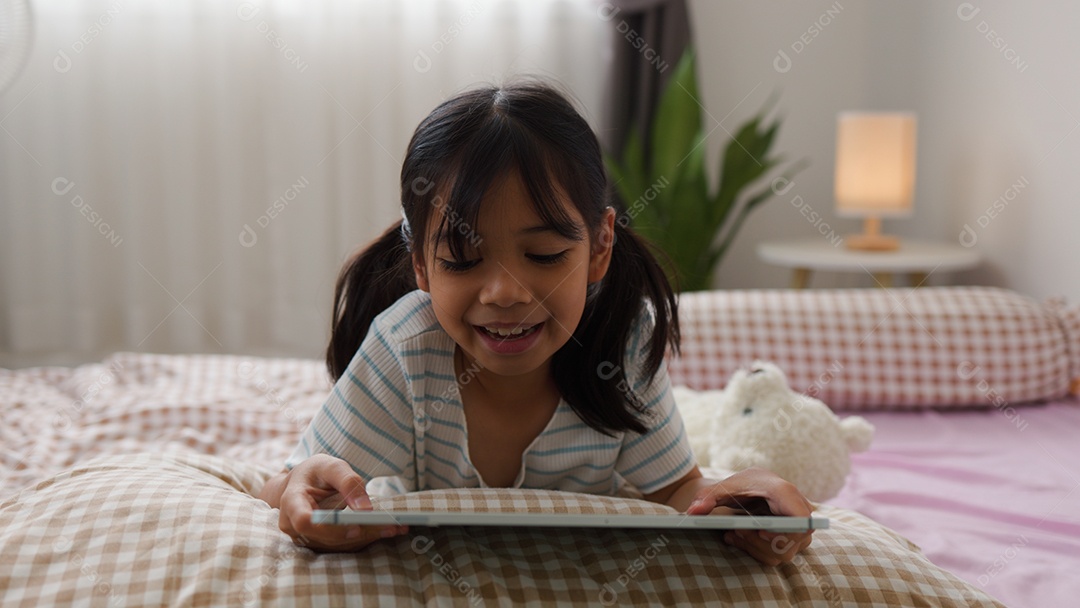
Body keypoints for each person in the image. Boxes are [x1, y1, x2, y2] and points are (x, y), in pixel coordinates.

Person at [259, 81, 814, 565]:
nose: (506, 293)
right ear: (422, 267)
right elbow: (289, 487)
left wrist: (745, 500)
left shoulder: (619, 339)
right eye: (462, 261)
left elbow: (676, 488)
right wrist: (309, 504)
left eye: (545, 256)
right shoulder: (404, 346)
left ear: (599, 247)